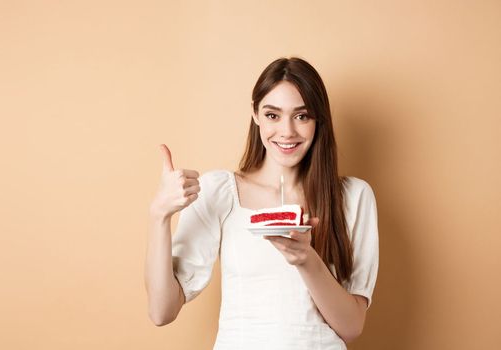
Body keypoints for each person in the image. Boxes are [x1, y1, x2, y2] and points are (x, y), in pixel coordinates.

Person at [144, 57, 379, 349]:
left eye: (302, 116)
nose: (287, 131)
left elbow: (352, 326)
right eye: (272, 115)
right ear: (255, 114)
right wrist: (159, 215)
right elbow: (161, 311)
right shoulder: (220, 191)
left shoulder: (354, 197)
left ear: (319, 120)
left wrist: (307, 260)